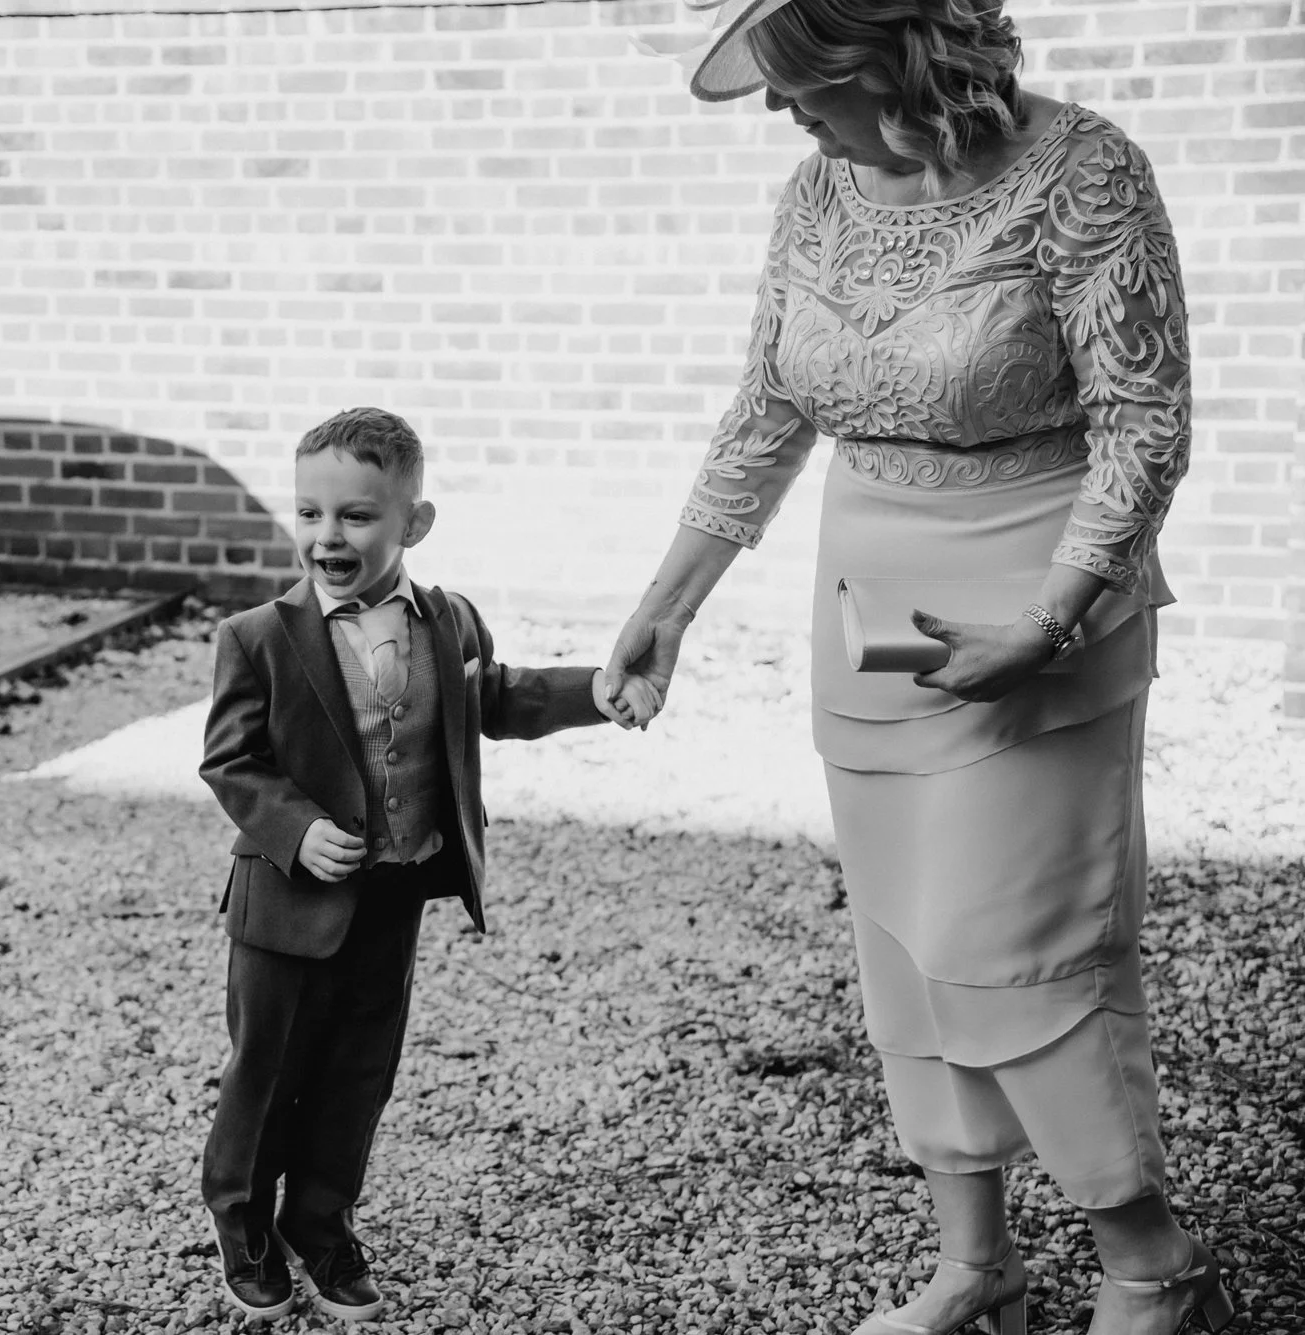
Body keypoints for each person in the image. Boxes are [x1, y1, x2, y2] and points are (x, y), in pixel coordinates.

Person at [602, 3, 1233, 1334]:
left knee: (1021, 940)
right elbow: (767, 406)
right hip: (869, 594)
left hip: (1040, 593)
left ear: (882, 56)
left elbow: (1143, 421)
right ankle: (975, 1263)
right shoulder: (813, 191)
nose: (777, 110)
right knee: (905, 940)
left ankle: (1149, 1256)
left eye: (795, 81)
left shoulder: (1083, 170)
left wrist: (1055, 618)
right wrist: (669, 603)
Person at [199, 407, 628, 1322]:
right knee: (266, 1069)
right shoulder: (258, 637)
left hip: (394, 888)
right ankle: (242, 1224)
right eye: (310, 514)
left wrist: (597, 690)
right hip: (286, 902)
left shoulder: (449, 620)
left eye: (355, 516)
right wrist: (295, 827)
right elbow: (231, 761)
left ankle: (321, 1220)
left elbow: (497, 698)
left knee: (360, 1069)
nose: (327, 536)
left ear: (413, 524)